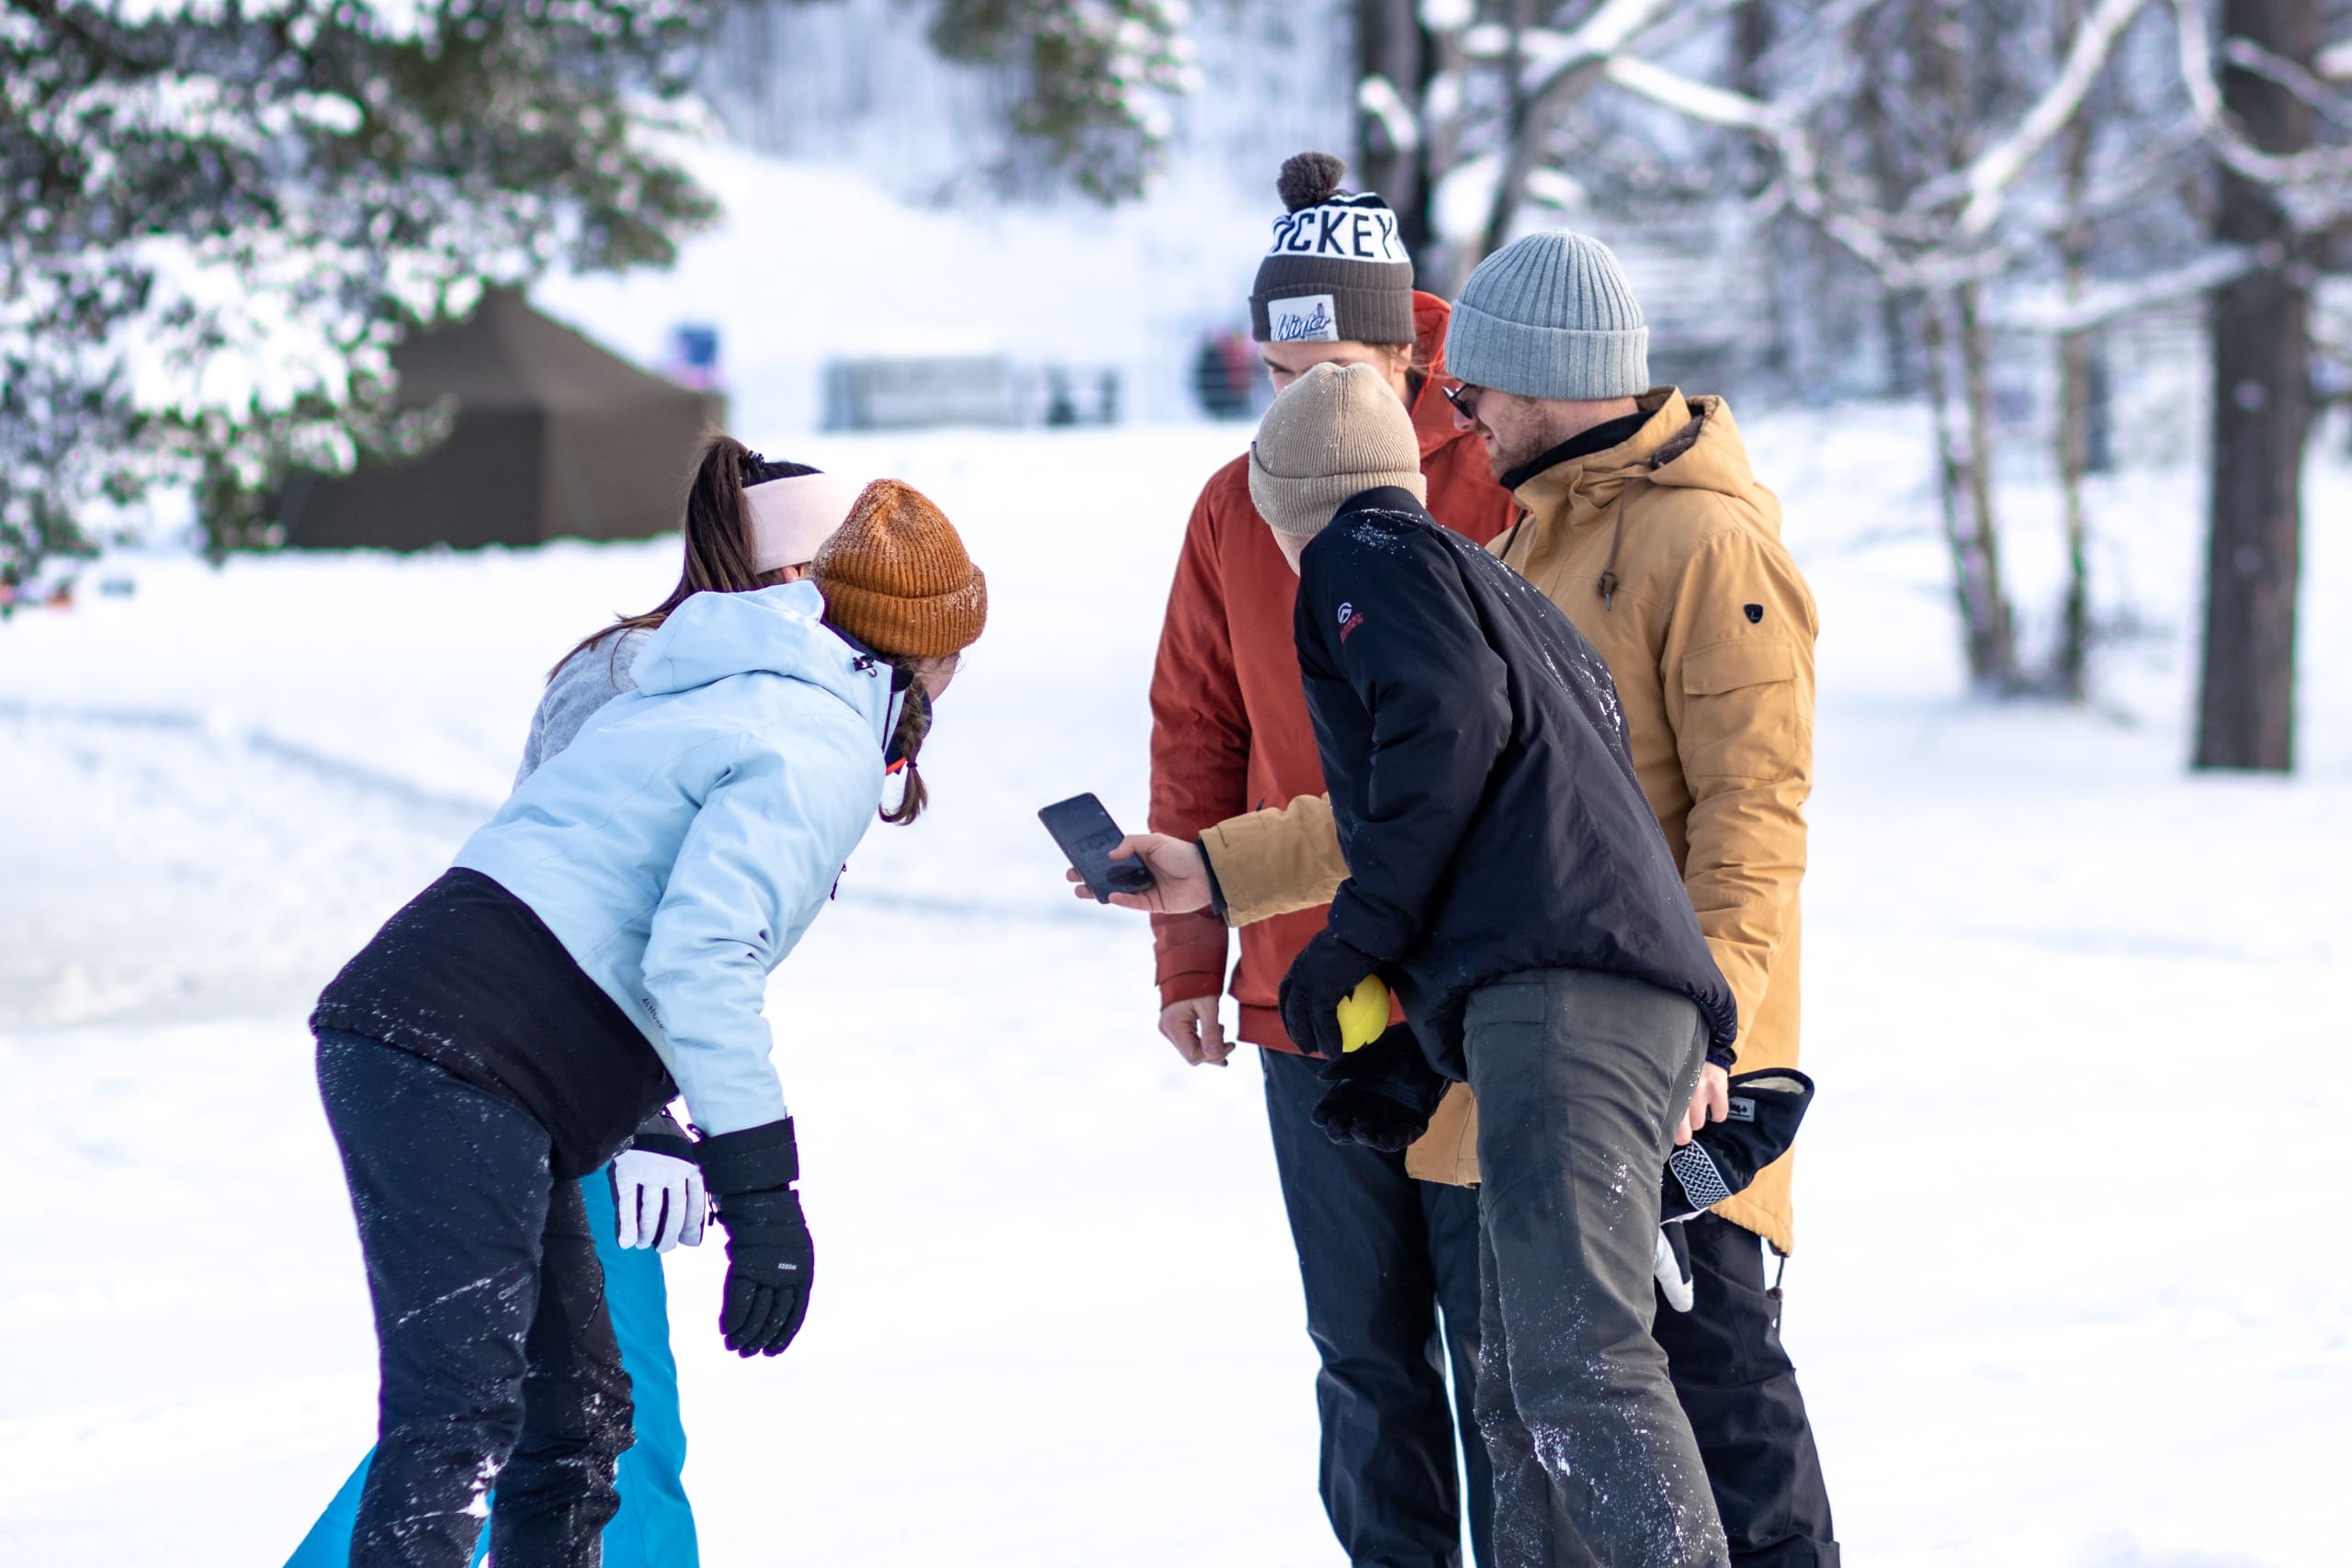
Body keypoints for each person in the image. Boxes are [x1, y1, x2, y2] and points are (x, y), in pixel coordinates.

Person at [1150, 232, 1838, 1566]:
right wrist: (1219, 870)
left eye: (1473, 393)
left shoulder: (1705, 542)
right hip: (1532, 1055)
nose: (1456, 417)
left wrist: (1719, 1032)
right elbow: (1431, 797)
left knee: (1711, 1403)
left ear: (1547, 381)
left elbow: (1757, 830)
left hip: (1672, 1060)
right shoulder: (1523, 544)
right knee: (1535, 1410)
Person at [307, 441, 986, 1568]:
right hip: (462, 1057)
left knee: (578, 1423)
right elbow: (693, 951)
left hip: (516, 1070)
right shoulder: (794, 728)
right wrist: (757, 1186)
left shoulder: (750, 686)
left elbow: (617, 906)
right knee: (460, 1420)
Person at [1148, 151, 1514, 1568]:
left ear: (1405, 348)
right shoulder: (1233, 505)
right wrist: (1189, 955)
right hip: (1306, 983)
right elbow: (1198, 725)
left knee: (1502, 1349)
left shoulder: (1492, 478)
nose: (1297, 396)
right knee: (1362, 1354)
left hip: (1477, 986)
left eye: (1330, 364)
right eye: (1277, 367)